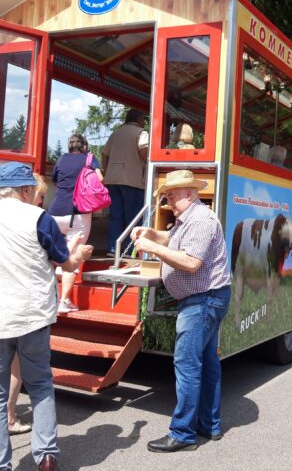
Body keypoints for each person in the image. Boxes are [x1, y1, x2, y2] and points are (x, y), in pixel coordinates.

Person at [0, 161, 93, 471]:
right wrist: (79, 255)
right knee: (40, 385)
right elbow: (65, 263)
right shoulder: (39, 218)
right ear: (26, 190)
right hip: (31, 317)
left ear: (0, 190)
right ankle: (46, 456)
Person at [131, 170, 231, 453]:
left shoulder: (199, 220)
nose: (168, 201)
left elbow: (190, 262)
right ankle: (209, 425)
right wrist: (153, 234)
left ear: (189, 193)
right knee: (207, 362)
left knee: (187, 365)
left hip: (202, 301)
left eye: (172, 196)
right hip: (207, 299)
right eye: (167, 196)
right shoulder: (192, 217)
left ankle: (183, 433)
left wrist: (150, 247)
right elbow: (175, 241)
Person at [0, 173, 47, 437]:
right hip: (21, 310)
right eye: (39, 197)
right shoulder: (37, 221)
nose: (41, 203)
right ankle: (9, 416)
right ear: (26, 192)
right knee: (19, 370)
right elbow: (58, 259)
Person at [48, 134, 103, 313]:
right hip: (78, 212)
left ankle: (48, 299)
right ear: (84, 146)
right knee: (74, 257)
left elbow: (55, 180)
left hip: (55, 211)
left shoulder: (61, 159)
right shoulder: (89, 159)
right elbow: (100, 179)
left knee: (49, 256)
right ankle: (64, 301)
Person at [102, 108, 148, 256]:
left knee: (116, 215)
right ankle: (128, 250)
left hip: (113, 179)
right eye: (144, 119)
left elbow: (105, 154)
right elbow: (143, 151)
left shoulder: (116, 133)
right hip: (132, 180)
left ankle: (112, 248)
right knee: (133, 217)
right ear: (140, 119)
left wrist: (107, 171)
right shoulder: (141, 133)